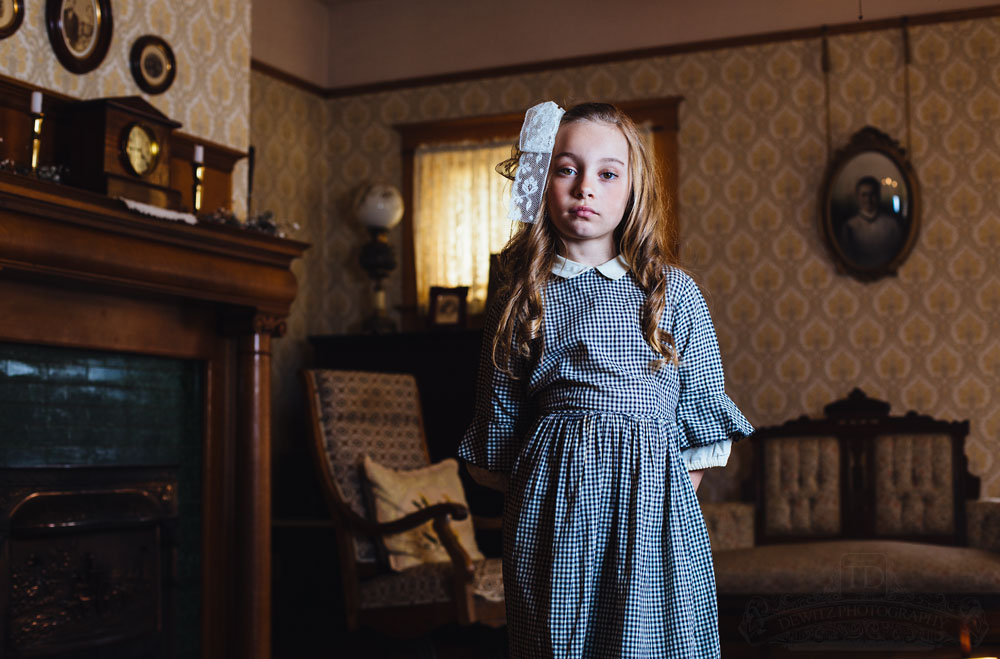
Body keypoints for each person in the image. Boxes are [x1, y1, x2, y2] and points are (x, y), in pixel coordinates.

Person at [457, 101, 753, 658]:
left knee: (654, 640)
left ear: (632, 187)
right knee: (560, 640)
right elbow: (497, 427)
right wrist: (550, 496)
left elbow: (699, 421)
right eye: (566, 169)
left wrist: (655, 500)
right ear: (541, 180)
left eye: (607, 173)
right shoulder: (520, 299)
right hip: (553, 510)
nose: (585, 187)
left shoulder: (673, 293)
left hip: (654, 512)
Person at [838, 176, 903, 268]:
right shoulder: (849, 226)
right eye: (864, 195)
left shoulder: (891, 224)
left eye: (872, 194)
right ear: (857, 197)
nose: (868, 199)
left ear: (878, 196)